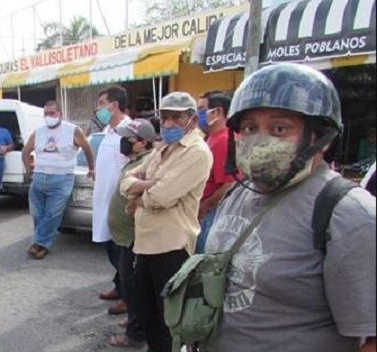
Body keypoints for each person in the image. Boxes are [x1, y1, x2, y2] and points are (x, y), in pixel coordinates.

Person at [205, 63, 375, 352]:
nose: (259, 139)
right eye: (249, 128)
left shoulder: (349, 214)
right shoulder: (237, 193)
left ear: (319, 137)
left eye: (279, 128)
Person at [120, 92, 212, 352]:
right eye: (166, 117)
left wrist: (140, 195)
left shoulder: (196, 152)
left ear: (192, 120)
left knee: (169, 321)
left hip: (172, 246)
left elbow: (162, 196)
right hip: (146, 243)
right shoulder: (164, 148)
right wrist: (147, 186)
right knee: (147, 313)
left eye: (176, 117)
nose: (169, 123)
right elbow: (126, 179)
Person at [21, 100, 94, 259]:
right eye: (46, 114)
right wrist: (28, 170)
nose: (49, 116)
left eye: (52, 113)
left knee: (52, 214)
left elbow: (87, 148)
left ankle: (40, 244)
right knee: (37, 213)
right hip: (39, 177)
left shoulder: (72, 130)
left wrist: (92, 168)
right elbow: (25, 151)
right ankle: (40, 242)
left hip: (61, 178)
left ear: (60, 113)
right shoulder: (38, 132)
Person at [107, 118, 157, 348]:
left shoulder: (149, 162)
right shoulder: (135, 160)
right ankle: (134, 323)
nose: (123, 143)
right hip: (125, 236)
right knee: (129, 284)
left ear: (142, 143)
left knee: (135, 288)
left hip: (135, 237)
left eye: (127, 139)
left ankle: (136, 334)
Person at [91, 86, 132, 316]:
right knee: (111, 248)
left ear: (113, 106)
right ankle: (120, 287)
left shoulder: (129, 131)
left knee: (121, 253)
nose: (99, 109)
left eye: (101, 103)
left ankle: (129, 297)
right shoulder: (109, 130)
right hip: (104, 199)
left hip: (119, 202)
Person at [195, 91, 238, 254]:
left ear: (217, 112)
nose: (197, 114)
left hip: (210, 214)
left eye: (201, 109)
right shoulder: (211, 137)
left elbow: (229, 184)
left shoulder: (224, 140)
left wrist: (204, 208)